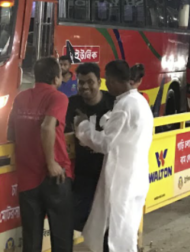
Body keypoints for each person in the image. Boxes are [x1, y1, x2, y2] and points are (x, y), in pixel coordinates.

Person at [75, 60, 153, 252]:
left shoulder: (125, 106)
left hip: (122, 180)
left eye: (107, 81)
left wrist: (84, 126)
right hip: (135, 176)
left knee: (118, 235)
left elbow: (105, 143)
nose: (106, 86)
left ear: (114, 80)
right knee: (126, 232)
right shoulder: (140, 101)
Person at [7, 57, 73, 252]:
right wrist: (51, 162)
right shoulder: (58, 97)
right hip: (55, 176)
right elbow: (47, 127)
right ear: (56, 78)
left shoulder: (20, 98)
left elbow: (11, 134)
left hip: (27, 177)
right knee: (61, 237)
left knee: (31, 240)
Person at [65, 63, 114, 231]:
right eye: (81, 82)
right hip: (83, 176)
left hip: (108, 176)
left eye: (90, 81)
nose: (85, 86)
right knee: (78, 222)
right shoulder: (72, 104)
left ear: (99, 82)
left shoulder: (113, 103)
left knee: (108, 226)